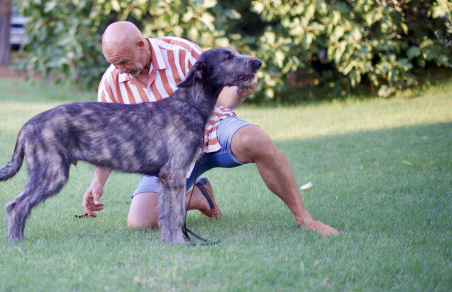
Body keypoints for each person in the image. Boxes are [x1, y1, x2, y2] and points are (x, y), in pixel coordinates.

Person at [82, 21, 338, 236]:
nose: (119, 70)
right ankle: (199, 195)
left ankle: (305, 219)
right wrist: (97, 183)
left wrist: (239, 91)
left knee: (256, 140)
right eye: (113, 63)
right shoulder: (112, 82)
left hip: (210, 130)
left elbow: (222, 97)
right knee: (140, 222)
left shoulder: (182, 52)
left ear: (141, 45)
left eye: (123, 62)